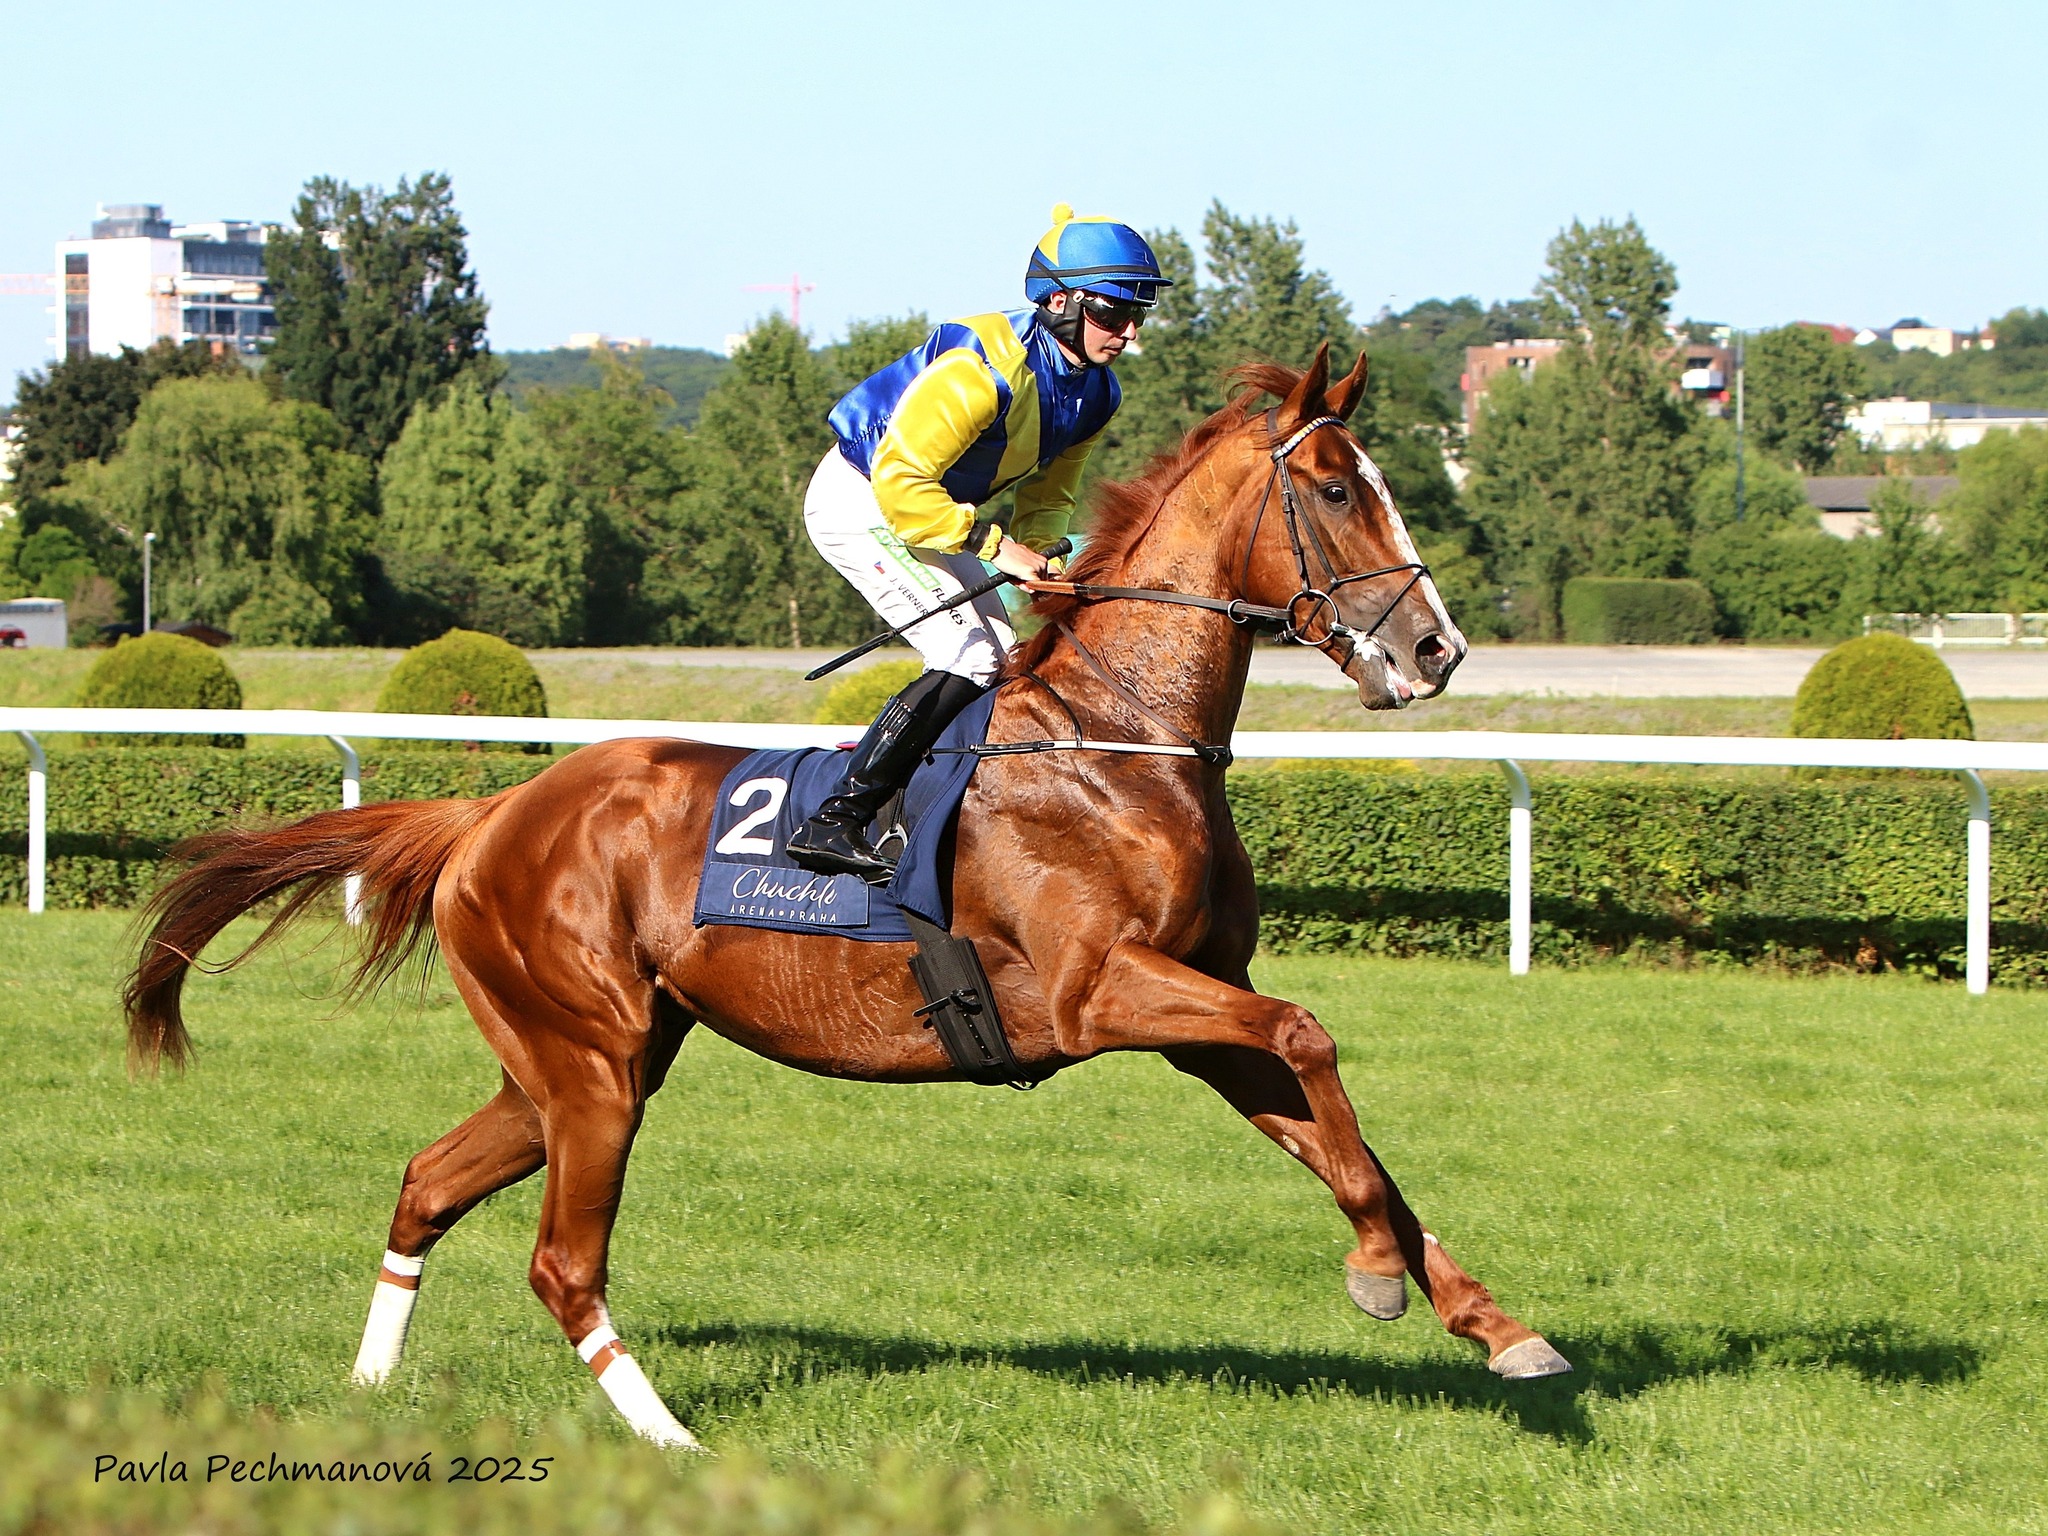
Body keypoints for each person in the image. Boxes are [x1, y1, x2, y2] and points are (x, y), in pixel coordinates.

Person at [785, 204, 1170, 880]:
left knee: (1002, 655)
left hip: (937, 509)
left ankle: (938, 807)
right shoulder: (981, 367)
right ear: (1058, 301)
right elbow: (902, 482)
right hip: (865, 495)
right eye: (1113, 314)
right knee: (967, 648)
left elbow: (1051, 492)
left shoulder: (1096, 393)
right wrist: (997, 548)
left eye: (1136, 314)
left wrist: (1041, 550)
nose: (1128, 331)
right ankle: (836, 819)